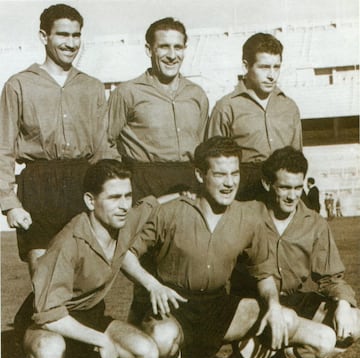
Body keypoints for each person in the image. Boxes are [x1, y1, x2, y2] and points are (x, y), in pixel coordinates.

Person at [121, 137, 335, 358]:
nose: (229, 182)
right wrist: (153, 286)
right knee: (162, 336)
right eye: (220, 173)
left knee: (303, 327)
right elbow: (125, 254)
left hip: (217, 306)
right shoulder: (170, 212)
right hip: (174, 305)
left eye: (234, 173)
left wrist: (272, 306)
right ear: (200, 174)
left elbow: (264, 271)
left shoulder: (247, 217)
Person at [21, 160, 183, 358]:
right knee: (49, 350)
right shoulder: (68, 242)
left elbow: (151, 205)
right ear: (90, 200)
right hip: (49, 321)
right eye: (114, 197)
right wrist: (102, 340)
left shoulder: (125, 220)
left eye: (128, 195)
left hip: (90, 315)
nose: (123, 205)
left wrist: (186, 193)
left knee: (147, 354)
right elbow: (48, 315)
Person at [230, 147, 359, 358]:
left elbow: (331, 278)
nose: (292, 196)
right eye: (285, 187)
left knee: (354, 322)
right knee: (271, 316)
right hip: (257, 304)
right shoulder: (246, 214)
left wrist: (343, 303)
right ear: (268, 184)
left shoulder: (314, 222)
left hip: (294, 299)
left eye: (297, 188)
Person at [0, 3, 116, 276]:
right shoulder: (19, 85)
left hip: (82, 183)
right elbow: (3, 148)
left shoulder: (92, 86)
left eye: (76, 35)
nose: (71, 43)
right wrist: (10, 204)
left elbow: (102, 148)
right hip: (38, 185)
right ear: (44, 36)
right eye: (63, 35)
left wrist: (107, 195)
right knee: (44, 276)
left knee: (84, 276)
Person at [108, 17, 209, 202]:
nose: (172, 55)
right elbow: (105, 142)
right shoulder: (127, 93)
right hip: (144, 183)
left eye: (178, 47)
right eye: (164, 47)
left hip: (189, 184)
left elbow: (202, 144)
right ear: (149, 50)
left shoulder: (197, 94)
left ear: (185, 50)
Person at [206, 33, 302, 200]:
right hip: (245, 189)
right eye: (264, 67)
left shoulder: (289, 106)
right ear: (246, 67)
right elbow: (213, 161)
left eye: (276, 67)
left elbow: (297, 156)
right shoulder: (226, 107)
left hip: (283, 185)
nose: (272, 75)